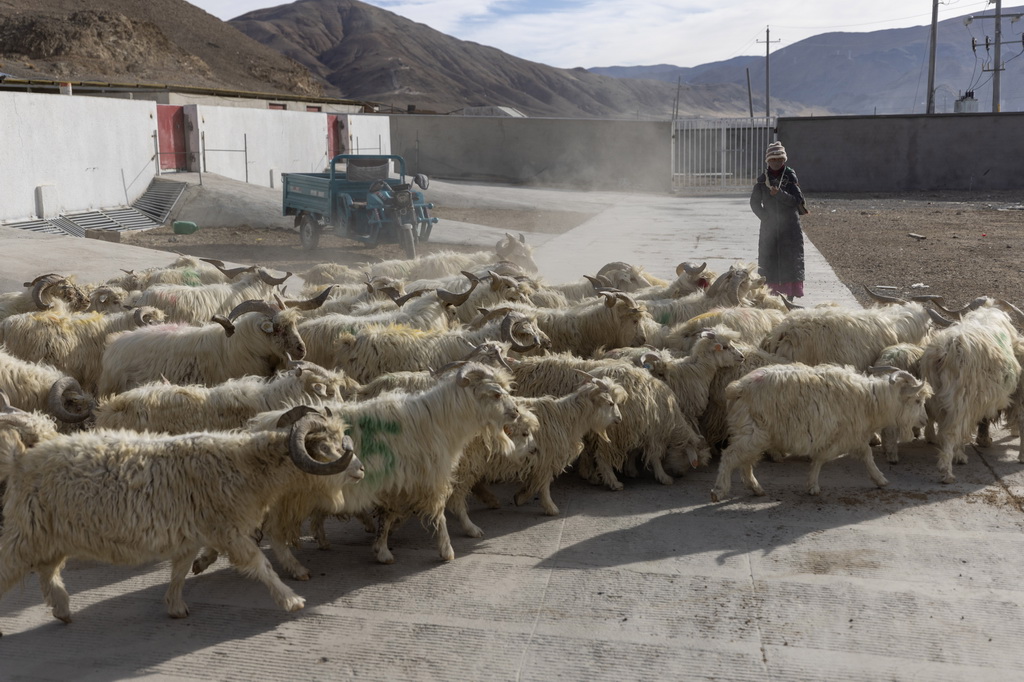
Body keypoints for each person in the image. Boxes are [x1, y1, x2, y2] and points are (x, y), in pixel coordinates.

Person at [749, 141, 807, 300]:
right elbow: (754, 202)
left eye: (779, 159)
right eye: (773, 159)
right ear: (768, 161)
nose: (776, 162)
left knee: (790, 261)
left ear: (784, 160)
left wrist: (780, 194)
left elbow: (797, 201)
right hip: (770, 228)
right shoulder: (762, 181)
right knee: (770, 260)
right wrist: (765, 217)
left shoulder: (790, 177)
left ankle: (790, 298)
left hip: (790, 228)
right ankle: (770, 298)